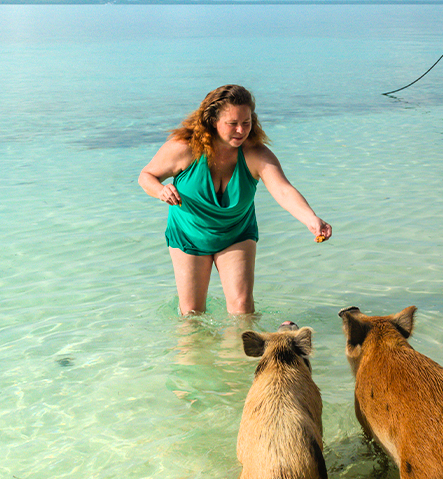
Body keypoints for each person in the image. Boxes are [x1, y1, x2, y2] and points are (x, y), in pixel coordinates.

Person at [138, 84, 331, 315]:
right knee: (191, 313)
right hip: (189, 234)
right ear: (212, 121)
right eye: (232, 124)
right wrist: (160, 190)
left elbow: (283, 190)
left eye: (246, 122)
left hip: (236, 233)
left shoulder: (255, 154)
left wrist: (310, 219)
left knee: (242, 308)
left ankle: (239, 351)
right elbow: (146, 176)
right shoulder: (183, 149)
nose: (241, 130)